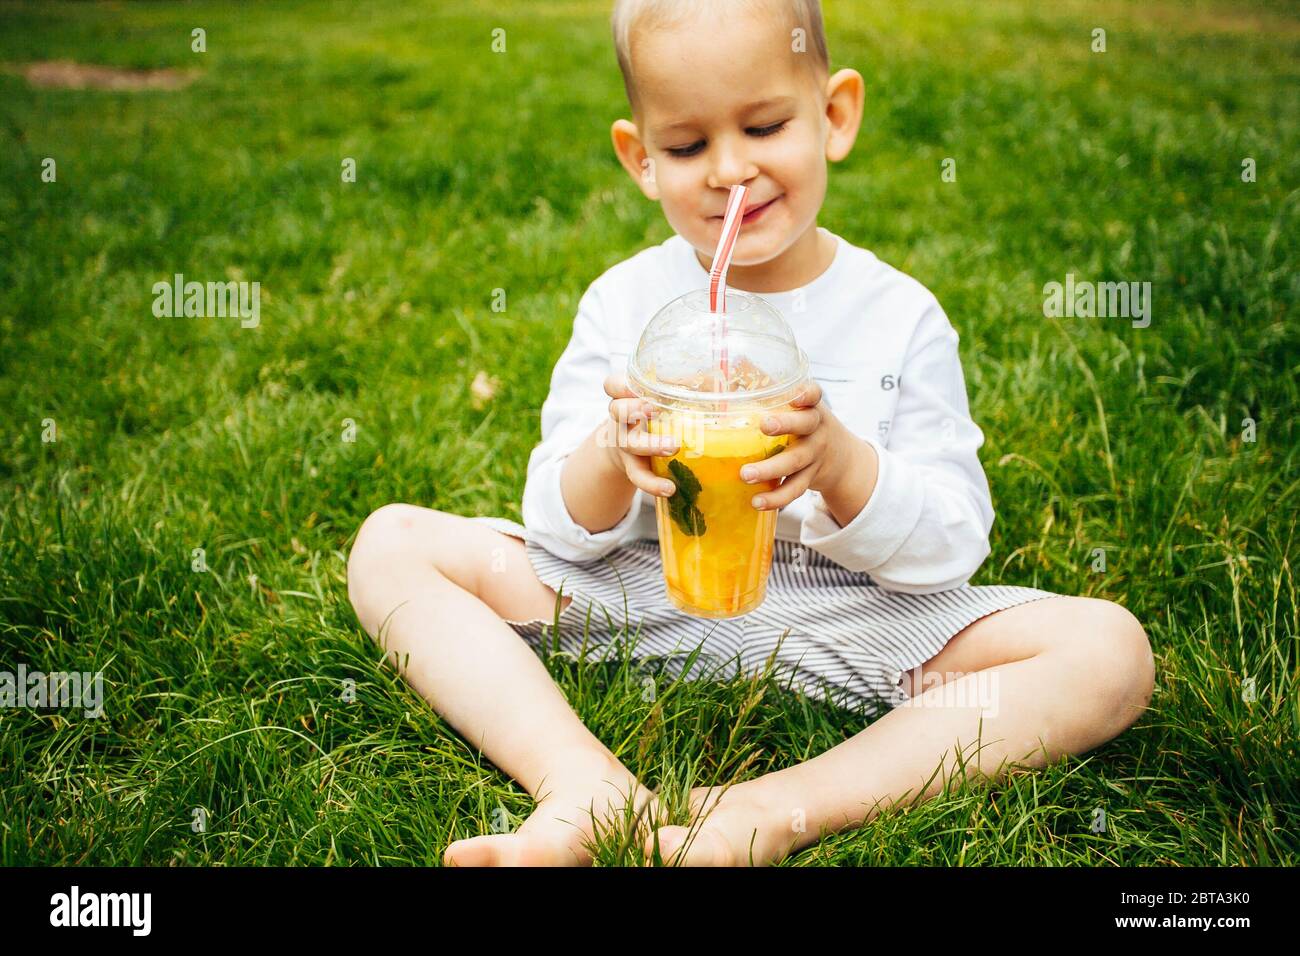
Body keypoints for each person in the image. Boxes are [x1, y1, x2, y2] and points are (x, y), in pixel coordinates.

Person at [346, 0, 1155, 867]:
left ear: (834, 115)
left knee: (1105, 650)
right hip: (644, 592)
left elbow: (953, 545)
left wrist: (842, 465)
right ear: (641, 159)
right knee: (392, 544)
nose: (731, 170)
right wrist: (613, 458)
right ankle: (580, 781)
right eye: (687, 147)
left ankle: (767, 809)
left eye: (765, 125)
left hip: (850, 614)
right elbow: (553, 526)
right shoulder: (623, 303)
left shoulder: (899, 315)